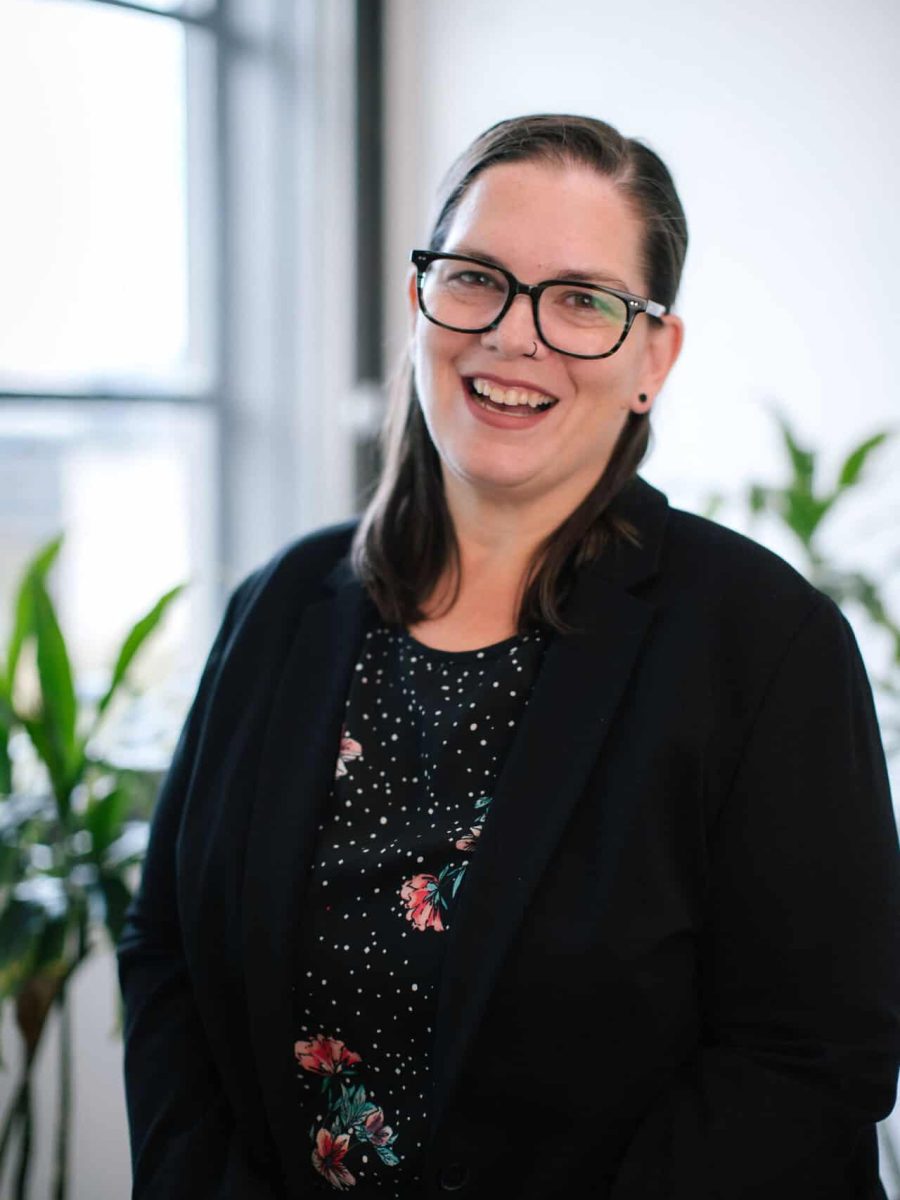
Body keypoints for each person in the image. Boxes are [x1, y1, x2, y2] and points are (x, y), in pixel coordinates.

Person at [118, 114, 900, 1200]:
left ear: (652, 358)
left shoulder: (766, 646)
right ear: (421, 302)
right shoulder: (281, 606)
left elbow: (808, 1063)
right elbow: (166, 950)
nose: (516, 335)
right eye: (479, 277)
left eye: (582, 299)